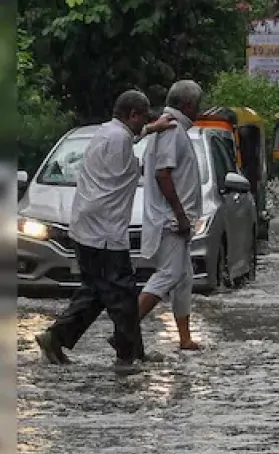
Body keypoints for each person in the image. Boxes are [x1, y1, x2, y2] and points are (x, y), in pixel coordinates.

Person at [34, 90, 176, 369]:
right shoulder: (120, 140)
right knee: (123, 294)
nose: (144, 123)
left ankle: (56, 337)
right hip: (105, 233)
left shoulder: (105, 132)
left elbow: (131, 136)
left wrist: (151, 129)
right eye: (143, 118)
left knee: (96, 291)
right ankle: (129, 356)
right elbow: (135, 156)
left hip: (86, 228)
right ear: (132, 115)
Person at [137, 80, 206, 352]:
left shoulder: (169, 128)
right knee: (169, 274)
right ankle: (124, 328)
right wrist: (180, 215)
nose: (199, 110)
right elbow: (162, 174)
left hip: (174, 218)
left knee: (183, 278)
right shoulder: (172, 130)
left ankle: (185, 338)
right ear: (187, 105)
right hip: (172, 220)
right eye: (197, 105)